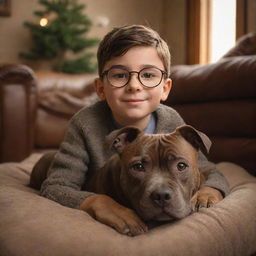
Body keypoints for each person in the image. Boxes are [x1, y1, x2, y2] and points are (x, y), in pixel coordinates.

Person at [40, 24, 229, 234]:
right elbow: (55, 188)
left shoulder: (172, 121)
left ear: (165, 88)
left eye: (148, 75)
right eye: (120, 75)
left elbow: (208, 169)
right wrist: (97, 202)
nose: (134, 85)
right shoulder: (86, 123)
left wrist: (211, 190)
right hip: (93, 181)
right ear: (101, 88)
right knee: (47, 162)